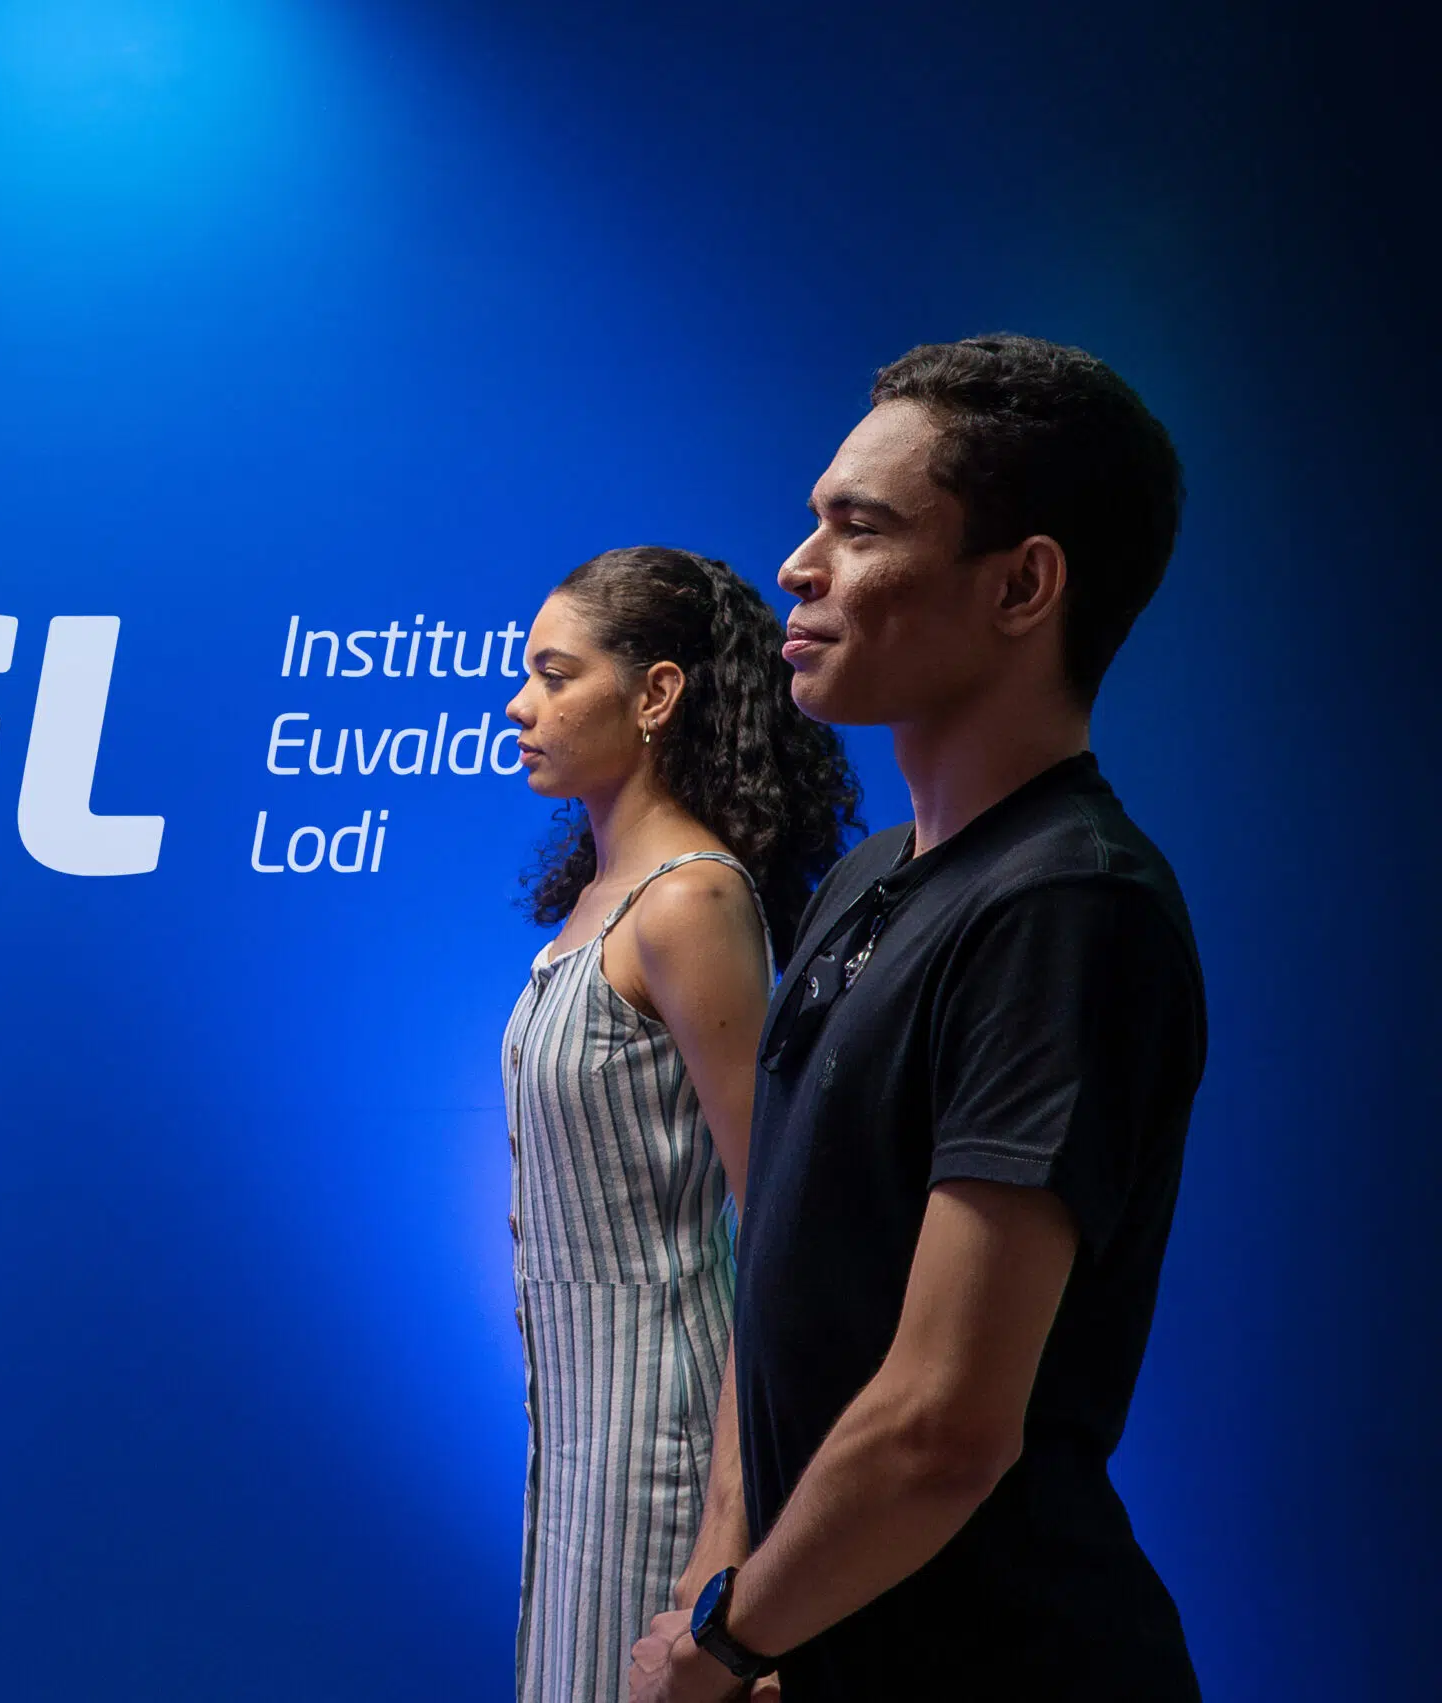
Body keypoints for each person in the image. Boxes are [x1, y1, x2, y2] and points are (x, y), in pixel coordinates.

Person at [630, 336, 1202, 1702]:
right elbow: (782, 1278)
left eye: (861, 527)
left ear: (1022, 586)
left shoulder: (1068, 903)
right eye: (815, 519)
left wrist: (722, 1643)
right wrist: (735, 1593)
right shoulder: (869, 876)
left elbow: (945, 1423)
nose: (797, 565)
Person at [502, 546, 860, 1703]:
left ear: (656, 693)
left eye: (556, 674)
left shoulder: (691, 899)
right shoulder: (596, 904)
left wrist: (729, 1528)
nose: (519, 704)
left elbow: (776, 1224)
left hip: (664, 1444)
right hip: (577, 1445)